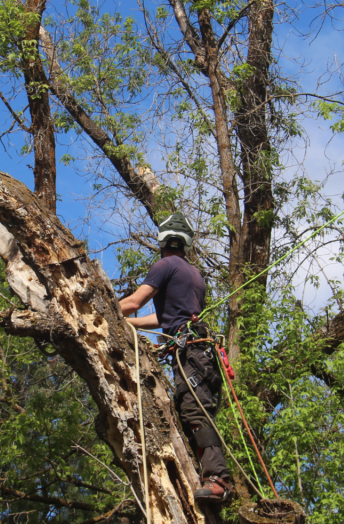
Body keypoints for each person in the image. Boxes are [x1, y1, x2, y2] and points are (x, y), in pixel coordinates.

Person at [119, 213, 234, 503]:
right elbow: (165, 317)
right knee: (192, 412)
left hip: (191, 354)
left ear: (162, 241)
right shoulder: (195, 275)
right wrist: (130, 324)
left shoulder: (164, 265)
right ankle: (207, 476)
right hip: (202, 354)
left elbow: (134, 302)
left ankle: (219, 480)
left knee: (195, 412)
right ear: (186, 244)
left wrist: (106, 308)